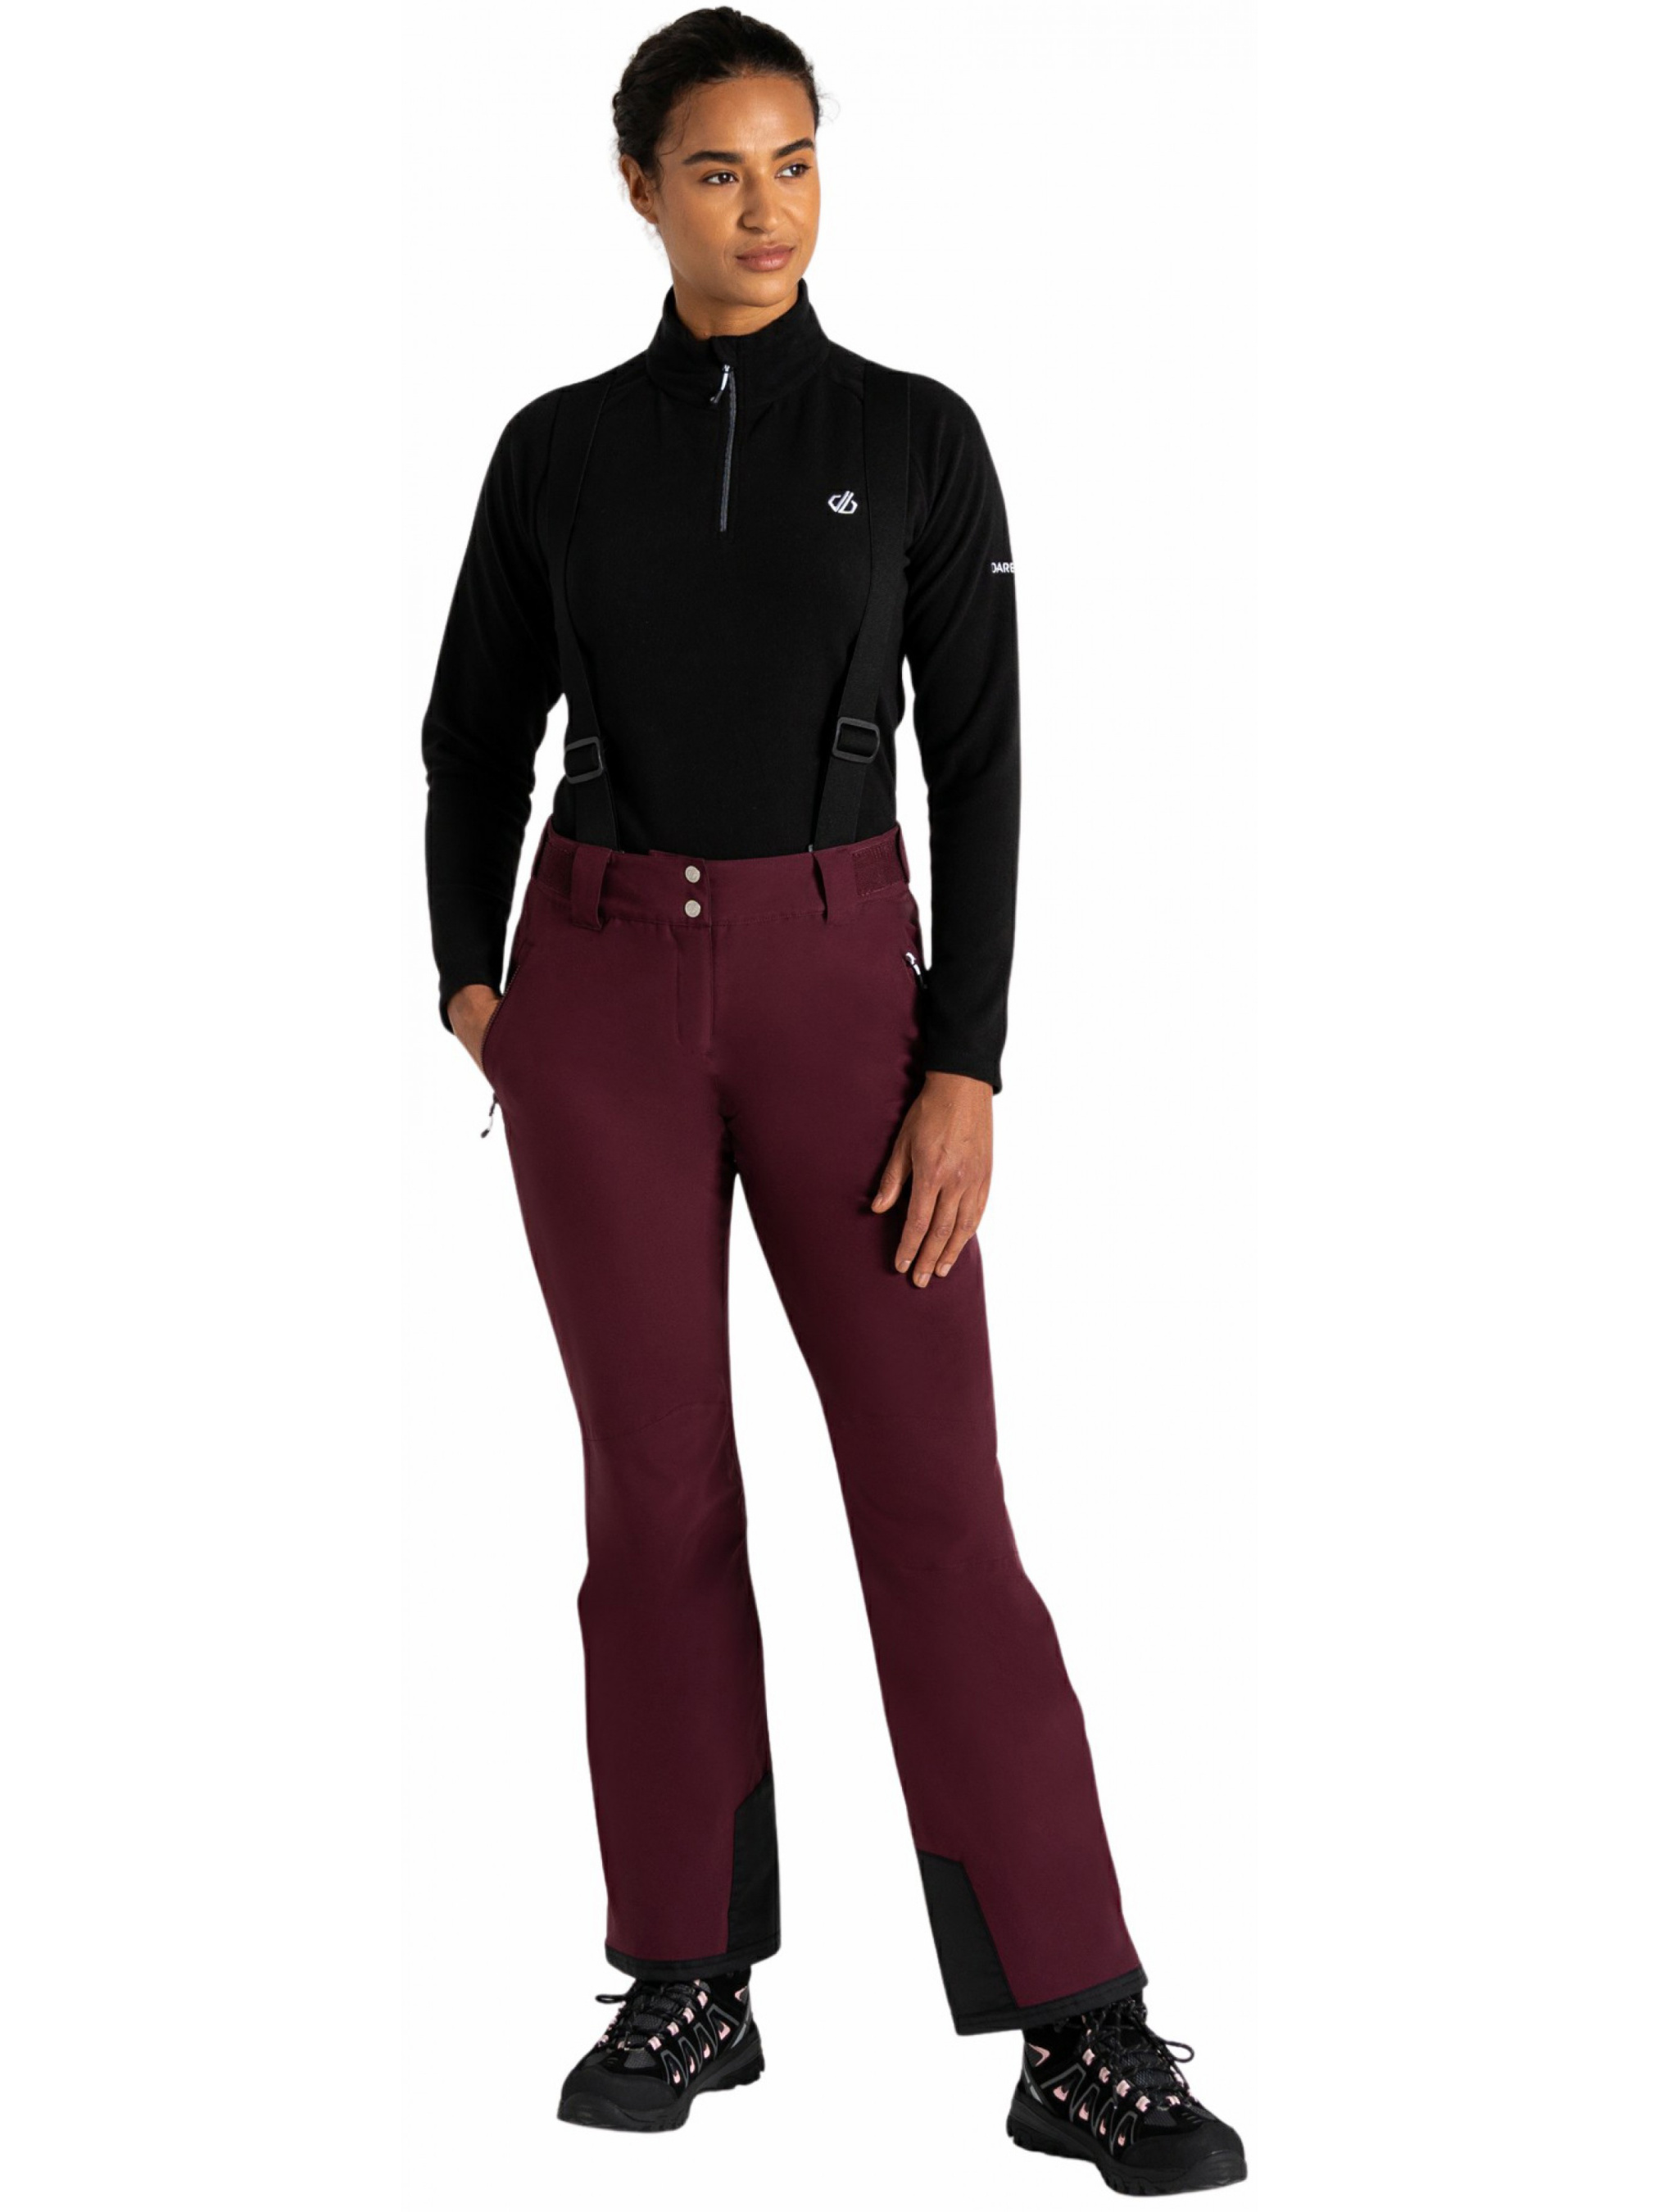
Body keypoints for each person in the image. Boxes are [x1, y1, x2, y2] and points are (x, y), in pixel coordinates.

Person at [421, 8, 1244, 2192]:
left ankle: (1078, 2021)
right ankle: (684, 1971)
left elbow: (982, 761)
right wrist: (480, 987)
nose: (765, 206)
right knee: (654, 1494)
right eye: (717, 168)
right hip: (598, 981)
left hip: (840, 983)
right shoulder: (558, 451)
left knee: (937, 1497)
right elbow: (469, 731)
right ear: (637, 189)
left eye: (794, 160)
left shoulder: (914, 435)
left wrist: (965, 1057)